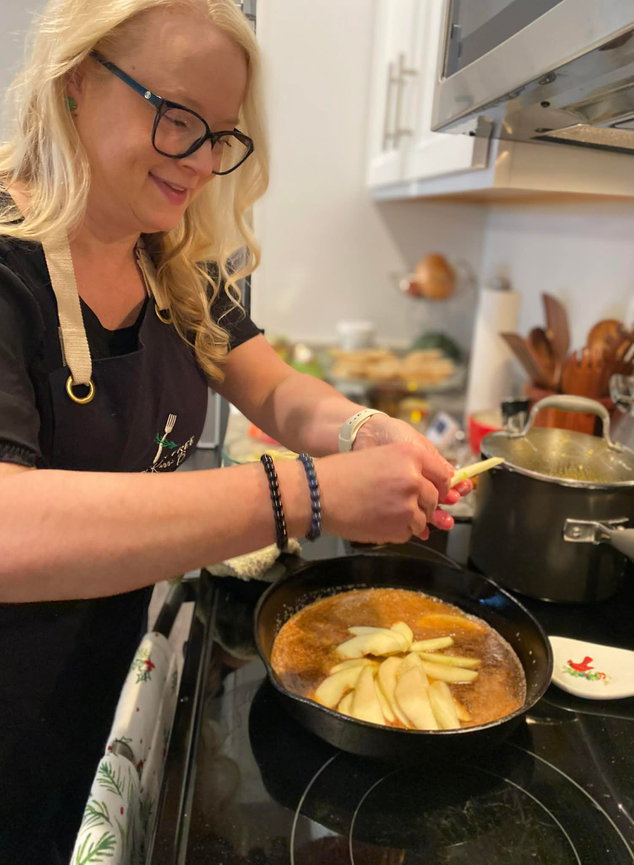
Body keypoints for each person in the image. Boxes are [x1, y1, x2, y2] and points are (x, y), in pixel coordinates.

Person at [0, 0, 471, 860]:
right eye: (178, 117)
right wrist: (309, 491)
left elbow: (278, 389)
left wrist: (362, 428)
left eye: (220, 135)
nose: (202, 162)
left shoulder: (166, 260)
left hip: (98, 684)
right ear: (75, 83)